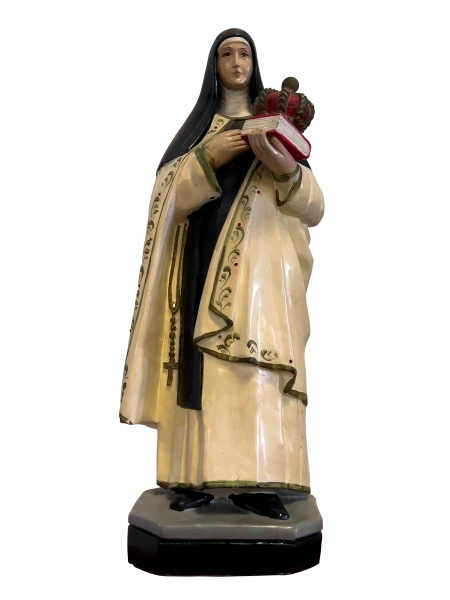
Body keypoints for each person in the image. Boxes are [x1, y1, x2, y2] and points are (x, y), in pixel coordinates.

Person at [119, 28, 325, 520]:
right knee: (202, 372)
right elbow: (164, 196)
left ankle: (261, 479)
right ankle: (193, 476)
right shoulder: (199, 133)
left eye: (244, 53)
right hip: (200, 264)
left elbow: (315, 208)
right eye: (226, 54)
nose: (236, 62)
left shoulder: (272, 125)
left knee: (257, 368)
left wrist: (285, 169)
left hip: (264, 273)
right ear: (213, 65)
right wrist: (208, 159)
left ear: (255, 63)